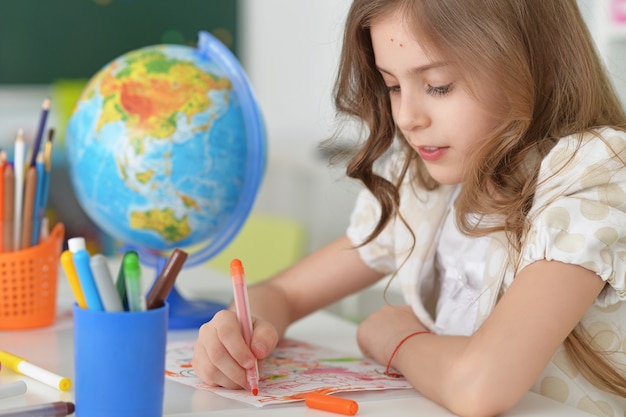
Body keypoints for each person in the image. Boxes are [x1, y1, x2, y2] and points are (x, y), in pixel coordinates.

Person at [193, 1, 626, 416]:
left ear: (537, 67)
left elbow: (479, 385)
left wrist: (396, 339)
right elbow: (287, 293)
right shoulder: (424, 184)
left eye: (438, 85)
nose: (406, 117)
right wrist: (239, 328)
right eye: (394, 86)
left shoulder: (591, 174)